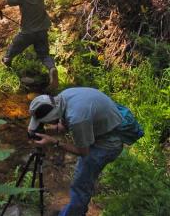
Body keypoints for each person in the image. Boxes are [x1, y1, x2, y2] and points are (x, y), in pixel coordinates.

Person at [28, 87, 124, 216]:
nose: (44, 125)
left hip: (108, 143)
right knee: (81, 180)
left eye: (44, 122)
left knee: (80, 185)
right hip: (103, 127)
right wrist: (54, 128)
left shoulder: (78, 119)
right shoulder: (63, 97)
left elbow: (83, 152)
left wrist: (54, 141)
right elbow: (65, 123)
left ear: (53, 116)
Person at [0, 0, 58, 89]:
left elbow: (6, 1)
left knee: (14, 46)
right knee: (44, 54)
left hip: (28, 32)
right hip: (42, 30)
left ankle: (6, 61)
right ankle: (52, 68)